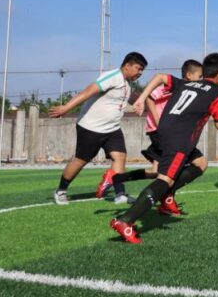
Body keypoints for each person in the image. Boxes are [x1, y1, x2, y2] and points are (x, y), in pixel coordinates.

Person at [110, 53, 218, 244]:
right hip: (180, 139)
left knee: (200, 163)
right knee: (164, 179)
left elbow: (159, 77)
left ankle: (165, 197)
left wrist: (140, 98)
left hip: (164, 131)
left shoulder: (185, 83)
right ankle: (126, 220)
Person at [50, 52, 147, 205]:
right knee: (81, 160)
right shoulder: (112, 76)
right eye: (138, 68)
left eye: (142, 70)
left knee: (120, 157)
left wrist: (139, 104)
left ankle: (120, 194)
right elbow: (88, 91)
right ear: (127, 66)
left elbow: (118, 104)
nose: (140, 73)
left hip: (112, 129)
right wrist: (66, 108)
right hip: (91, 127)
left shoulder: (127, 85)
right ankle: (61, 191)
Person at [110, 59, 203, 204]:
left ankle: (117, 178)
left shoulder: (190, 91)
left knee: (156, 171)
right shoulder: (173, 86)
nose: (201, 80)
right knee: (196, 163)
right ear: (189, 75)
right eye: (200, 76)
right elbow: (150, 98)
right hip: (160, 131)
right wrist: (160, 122)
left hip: (169, 132)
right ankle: (165, 199)